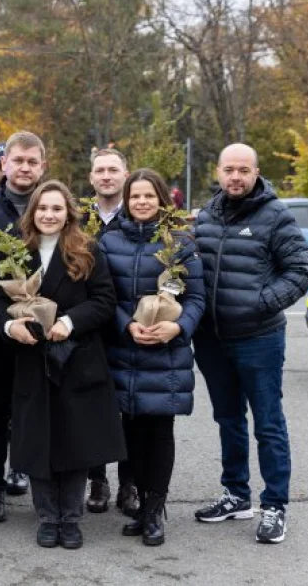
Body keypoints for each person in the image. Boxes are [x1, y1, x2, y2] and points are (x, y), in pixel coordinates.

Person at [0, 179, 125, 550]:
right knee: (37, 439)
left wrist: (69, 322)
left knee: (74, 439)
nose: (49, 215)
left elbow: (104, 300)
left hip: (77, 358)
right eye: (43, 208)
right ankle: (47, 516)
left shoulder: (86, 251)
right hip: (32, 358)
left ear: (68, 213)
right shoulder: (15, 251)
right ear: (32, 212)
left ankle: (71, 516)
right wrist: (9, 325)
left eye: (56, 208)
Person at [192, 143, 308, 544]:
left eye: (244, 170)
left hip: (258, 337)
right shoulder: (207, 215)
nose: (236, 177)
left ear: (256, 172)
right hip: (212, 339)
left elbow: (301, 269)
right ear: (219, 171)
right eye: (229, 169)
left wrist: (261, 304)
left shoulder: (275, 215)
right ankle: (236, 495)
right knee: (228, 419)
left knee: (268, 423)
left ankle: (275, 504)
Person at [98, 169, 205, 545]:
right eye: (134, 197)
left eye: (148, 196)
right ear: (126, 201)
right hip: (124, 349)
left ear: (162, 199)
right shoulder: (109, 242)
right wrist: (126, 325)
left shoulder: (180, 243)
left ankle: (155, 510)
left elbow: (195, 298)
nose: (141, 202)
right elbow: (104, 297)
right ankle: (141, 503)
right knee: (130, 432)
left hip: (166, 353)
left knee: (158, 432)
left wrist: (179, 328)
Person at [0, 132, 50, 522]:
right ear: (3, 164)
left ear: (43, 166)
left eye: (32, 162)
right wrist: (3, 321)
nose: (24, 168)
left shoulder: (54, 205)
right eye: (17, 160)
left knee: (36, 409)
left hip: (44, 326)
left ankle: (34, 479)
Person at [83, 148, 138, 516]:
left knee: (130, 409)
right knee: (93, 409)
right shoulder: (79, 219)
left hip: (129, 327)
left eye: (113, 170)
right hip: (89, 328)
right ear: (91, 178)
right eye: (100, 170)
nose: (106, 176)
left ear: (125, 175)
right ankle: (97, 480)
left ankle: (129, 483)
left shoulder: (137, 216)